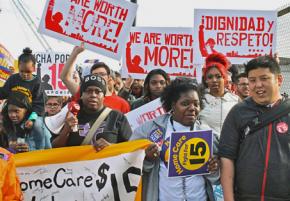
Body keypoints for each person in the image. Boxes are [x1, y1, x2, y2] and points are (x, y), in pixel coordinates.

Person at [130, 77, 220, 201]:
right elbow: (129, 162)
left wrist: (214, 168)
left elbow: (217, 178)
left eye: (196, 104)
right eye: (185, 103)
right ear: (172, 105)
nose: (192, 108)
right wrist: (147, 159)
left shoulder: (207, 133)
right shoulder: (150, 130)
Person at [219, 55, 290, 201]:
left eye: (264, 79)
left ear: (279, 80)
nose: (258, 85)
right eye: (252, 80)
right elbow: (226, 157)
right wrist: (228, 198)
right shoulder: (238, 112)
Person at [52, 74, 132, 150]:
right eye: (88, 91)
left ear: (104, 96)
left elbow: (131, 147)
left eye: (98, 91)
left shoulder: (117, 117)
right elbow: (53, 148)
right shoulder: (70, 114)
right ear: (82, 95)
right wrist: (66, 131)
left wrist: (111, 147)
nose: (93, 95)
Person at [61, 43, 130, 113]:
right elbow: (65, 77)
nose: (98, 77)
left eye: (102, 74)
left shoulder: (122, 104)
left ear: (109, 78)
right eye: (95, 74)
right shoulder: (83, 95)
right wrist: (75, 53)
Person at [0, 48, 45, 133]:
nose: (25, 74)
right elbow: (4, 92)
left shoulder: (37, 83)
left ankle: (42, 146)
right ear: (18, 67)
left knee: (38, 126)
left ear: (34, 68)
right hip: (13, 113)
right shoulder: (13, 78)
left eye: (28, 71)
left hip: (30, 115)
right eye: (22, 71)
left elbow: (39, 104)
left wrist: (32, 119)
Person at [199, 53, 239, 135]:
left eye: (218, 76)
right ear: (206, 80)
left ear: (224, 78)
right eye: (210, 77)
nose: (214, 80)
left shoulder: (236, 100)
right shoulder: (199, 101)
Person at [1, 88, 51, 153]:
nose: (12, 115)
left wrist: (29, 150)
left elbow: (48, 150)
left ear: (26, 110)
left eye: (16, 111)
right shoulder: (8, 123)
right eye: (9, 111)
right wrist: (11, 148)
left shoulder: (37, 123)